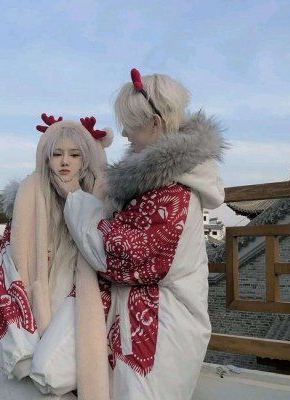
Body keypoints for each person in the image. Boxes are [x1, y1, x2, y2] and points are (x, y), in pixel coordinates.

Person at [56, 68, 227, 400]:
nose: (124, 133)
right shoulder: (165, 182)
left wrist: (75, 201)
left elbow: (118, 255)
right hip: (150, 326)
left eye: (131, 124)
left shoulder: (173, 192)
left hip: (162, 331)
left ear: (155, 123)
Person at [0, 114, 113, 400]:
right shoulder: (30, 196)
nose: (65, 162)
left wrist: (75, 198)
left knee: (57, 371)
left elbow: (103, 251)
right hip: (35, 298)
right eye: (57, 154)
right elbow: (13, 261)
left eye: (74, 155)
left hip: (78, 299)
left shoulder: (101, 199)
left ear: (86, 160)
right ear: (46, 158)